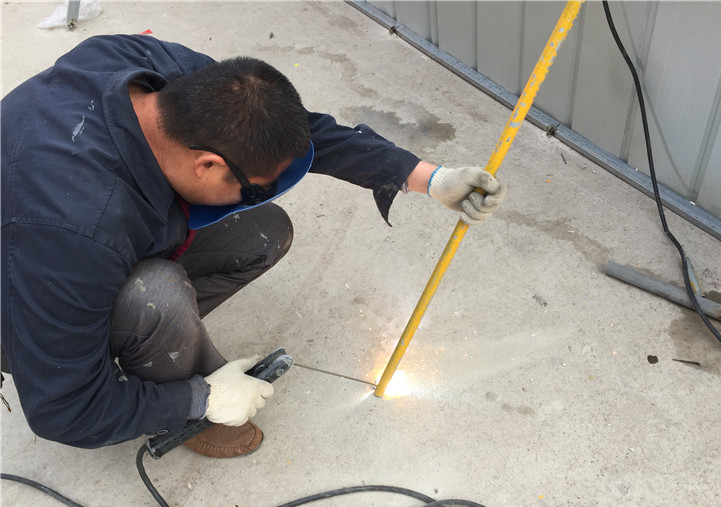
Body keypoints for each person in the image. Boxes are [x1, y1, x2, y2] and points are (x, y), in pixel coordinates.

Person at [0, 34, 506, 458]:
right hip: (19, 294)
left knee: (261, 233)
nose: (256, 196)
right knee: (155, 296)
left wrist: (426, 177)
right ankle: (169, 379)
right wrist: (199, 398)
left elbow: (286, 132)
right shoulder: (75, 231)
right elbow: (63, 411)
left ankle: (138, 335)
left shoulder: (157, 72)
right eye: (253, 188)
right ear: (207, 165)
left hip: (60, 238)